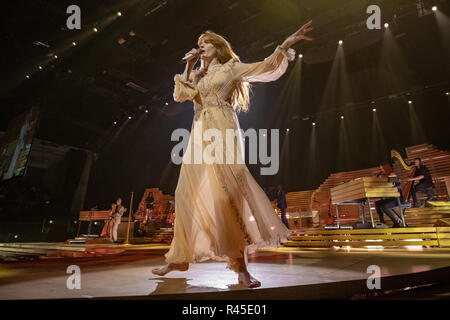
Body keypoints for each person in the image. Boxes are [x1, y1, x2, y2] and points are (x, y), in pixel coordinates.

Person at [151, 21, 313, 288]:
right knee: (184, 193)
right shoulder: (199, 74)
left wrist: (286, 44)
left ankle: (241, 269)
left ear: (217, 46)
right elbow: (181, 95)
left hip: (223, 128)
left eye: (205, 43)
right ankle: (179, 258)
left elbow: (265, 66)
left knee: (226, 196)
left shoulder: (231, 68)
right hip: (199, 131)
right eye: (199, 44)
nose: (201, 47)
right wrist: (190, 66)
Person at [374, 163, 403, 227]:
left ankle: (395, 223)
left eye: (382, 169)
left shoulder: (392, 174)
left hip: (397, 198)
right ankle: (382, 222)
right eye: (380, 169)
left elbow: (392, 185)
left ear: (386, 168)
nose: (381, 170)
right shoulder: (384, 176)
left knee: (384, 206)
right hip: (391, 198)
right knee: (377, 204)